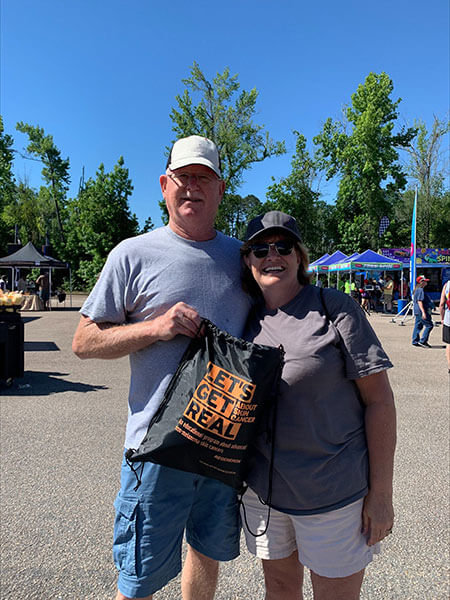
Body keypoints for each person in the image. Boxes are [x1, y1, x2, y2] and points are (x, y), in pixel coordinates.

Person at [72, 136, 251, 600]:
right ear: (164, 184)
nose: (193, 186)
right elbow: (84, 342)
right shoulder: (132, 254)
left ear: (220, 188)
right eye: (183, 177)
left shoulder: (245, 259)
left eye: (204, 178)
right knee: (139, 576)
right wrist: (155, 328)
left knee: (206, 555)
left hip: (222, 444)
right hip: (156, 448)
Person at [239, 211, 396, 600]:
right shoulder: (243, 318)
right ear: (247, 259)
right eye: (260, 248)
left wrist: (381, 495)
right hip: (265, 493)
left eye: (283, 246)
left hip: (333, 494)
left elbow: (379, 401)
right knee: (278, 591)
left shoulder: (334, 307)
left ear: (300, 256)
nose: (271, 255)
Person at [412, 275, 434, 348]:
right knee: (429, 325)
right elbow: (419, 301)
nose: (426, 282)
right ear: (422, 282)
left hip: (417, 311)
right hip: (421, 310)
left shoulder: (417, 290)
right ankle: (423, 341)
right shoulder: (420, 290)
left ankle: (415, 340)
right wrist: (423, 312)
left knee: (418, 325)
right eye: (425, 281)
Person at [439, 279, 450, 370]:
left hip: (448, 319)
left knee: (449, 344)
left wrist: (442, 318)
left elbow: (442, 304)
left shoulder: (447, 285)